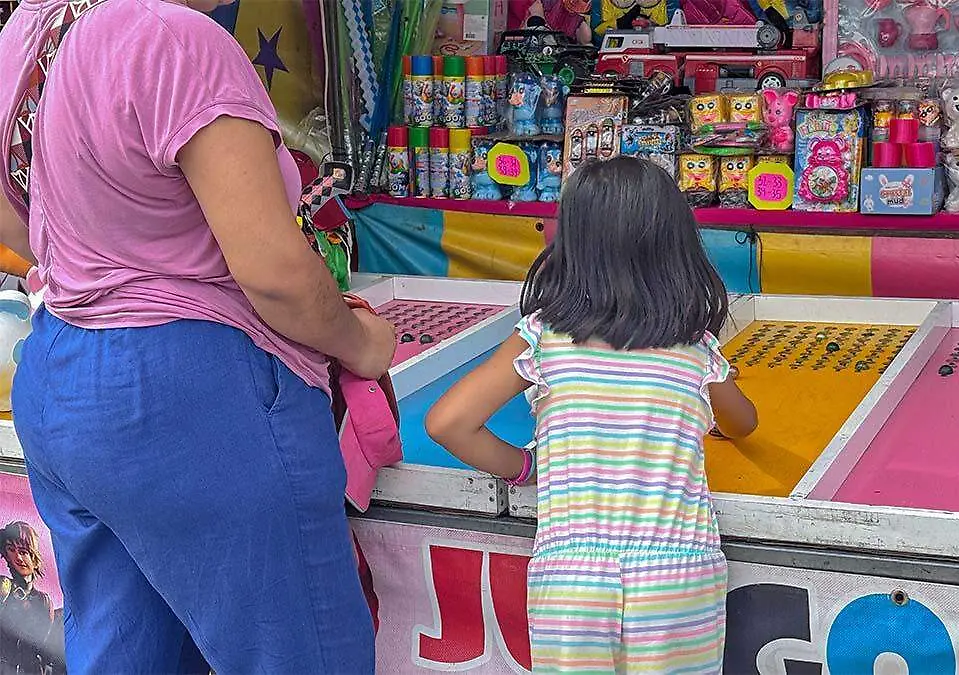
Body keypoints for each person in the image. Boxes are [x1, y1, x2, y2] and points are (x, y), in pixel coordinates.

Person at [0, 0, 396, 671]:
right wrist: (359, 342)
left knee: (125, 652)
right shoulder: (176, 40)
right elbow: (273, 271)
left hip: (62, 370)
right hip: (194, 396)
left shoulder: (32, 29)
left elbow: (17, 227)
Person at [427, 156, 758, 673]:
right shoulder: (696, 349)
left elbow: (447, 423)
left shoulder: (542, 338)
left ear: (573, 243)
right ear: (675, 245)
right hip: (678, 577)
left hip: (571, 583)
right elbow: (745, 423)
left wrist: (525, 468)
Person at [0, 521, 57, 674]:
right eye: (11, 550)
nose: (18, 557)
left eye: (23, 551)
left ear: (33, 556)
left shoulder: (43, 600)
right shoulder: (4, 587)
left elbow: (43, 646)